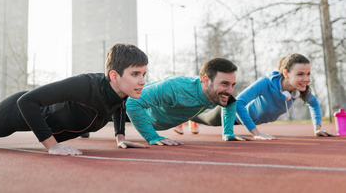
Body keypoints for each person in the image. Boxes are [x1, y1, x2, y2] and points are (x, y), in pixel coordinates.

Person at [0, 43, 149, 155]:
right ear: (114, 76)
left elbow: (119, 107)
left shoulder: (119, 93)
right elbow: (26, 101)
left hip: (28, 116)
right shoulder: (85, 85)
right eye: (135, 74)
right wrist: (51, 146)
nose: (142, 81)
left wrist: (120, 137)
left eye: (144, 74)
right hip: (18, 113)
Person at [189, 53, 337, 139]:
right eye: (300, 74)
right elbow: (239, 102)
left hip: (244, 120)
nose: (306, 78)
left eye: (308, 74)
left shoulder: (299, 90)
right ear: (286, 73)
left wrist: (317, 128)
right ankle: (188, 117)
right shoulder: (266, 83)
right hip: (231, 114)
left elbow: (314, 104)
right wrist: (256, 133)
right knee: (203, 117)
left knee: (206, 109)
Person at [126, 57, 250, 145]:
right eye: (224, 84)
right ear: (206, 81)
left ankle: (191, 121)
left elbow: (231, 102)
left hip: (163, 116)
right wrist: (152, 136)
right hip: (125, 108)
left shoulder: (216, 93)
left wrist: (228, 133)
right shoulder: (174, 87)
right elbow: (132, 103)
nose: (230, 91)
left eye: (233, 85)